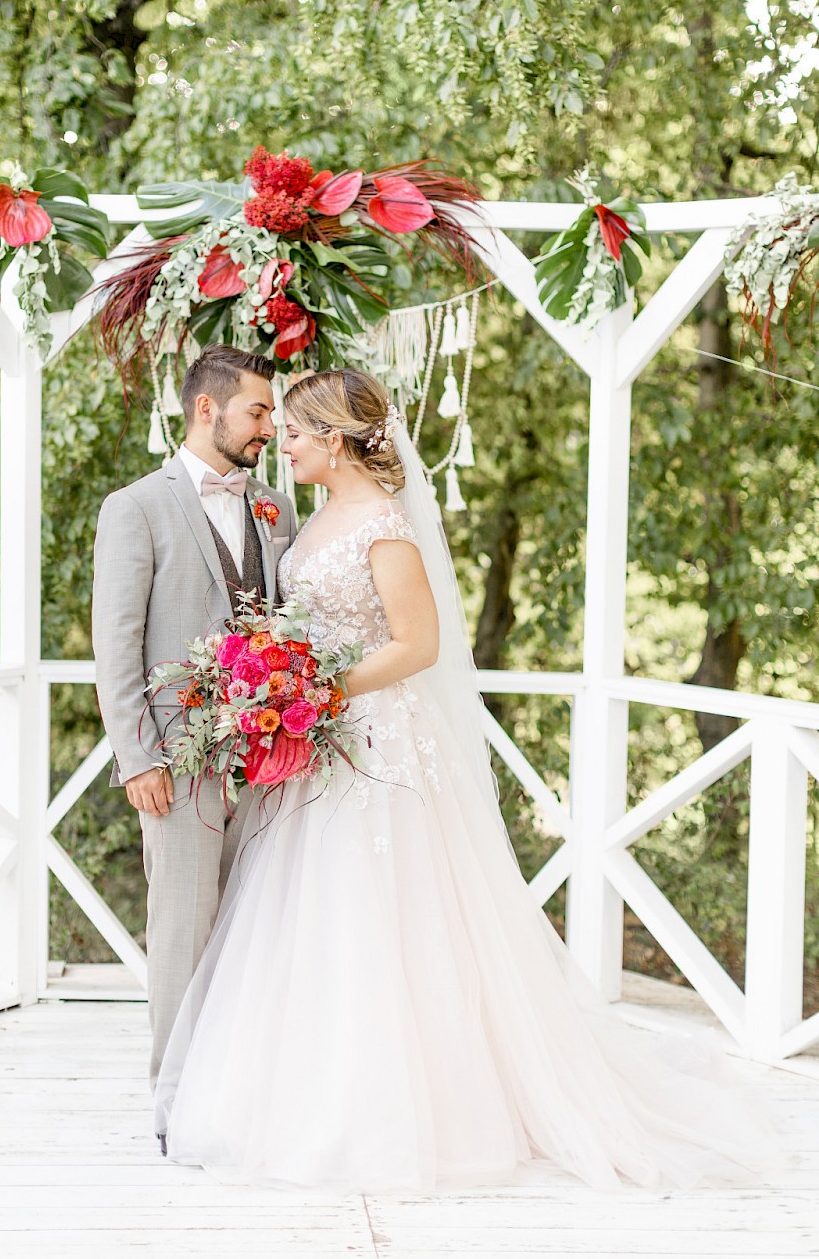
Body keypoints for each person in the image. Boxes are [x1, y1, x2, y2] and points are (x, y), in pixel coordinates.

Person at [150, 365, 790, 1195]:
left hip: (378, 746)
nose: (284, 440)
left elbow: (419, 644)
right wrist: (288, 686)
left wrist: (312, 691)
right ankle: (309, 1101)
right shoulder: (308, 524)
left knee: (389, 918)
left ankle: (412, 1112)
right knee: (312, 918)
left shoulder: (383, 522)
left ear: (337, 438)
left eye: (299, 430)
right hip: (319, 747)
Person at [90, 343, 297, 1105]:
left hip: (274, 749)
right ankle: (174, 1096)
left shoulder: (275, 503)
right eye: (258, 410)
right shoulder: (136, 506)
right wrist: (137, 757)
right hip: (176, 759)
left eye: (270, 413)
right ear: (206, 409)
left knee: (256, 916)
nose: (268, 426)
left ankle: (240, 1083)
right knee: (181, 923)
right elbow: (114, 641)